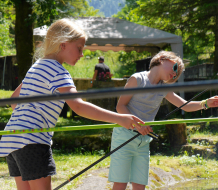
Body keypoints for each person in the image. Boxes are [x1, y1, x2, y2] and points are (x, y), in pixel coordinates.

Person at [0, 18, 144, 190]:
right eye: (79, 48)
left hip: (13, 137)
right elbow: (79, 106)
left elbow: (14, 101)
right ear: (63, 45)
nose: (82, 54)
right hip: (33, 140)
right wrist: (119, 118)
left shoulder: (37, 66)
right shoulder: (58, 71)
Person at [108, 51, 218, 190]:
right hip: (124, 136)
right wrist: (137, 125)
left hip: (143, 141)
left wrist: (205, 103)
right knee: (120, 184)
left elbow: (185, 106)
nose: (175, 75)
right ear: (163, 59)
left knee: (139, 186)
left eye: (177, 74)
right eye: (175, 69)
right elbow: (120, 106)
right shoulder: (137, 79)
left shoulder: (164, 88)